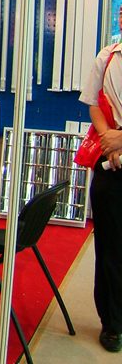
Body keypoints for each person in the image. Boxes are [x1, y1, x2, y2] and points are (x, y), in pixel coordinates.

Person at [80, 43, 122, 352]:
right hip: (111, 164)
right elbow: (94, 102)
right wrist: (108, 139)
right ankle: (112, 323)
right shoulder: (107, 57)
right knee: (110, 249)